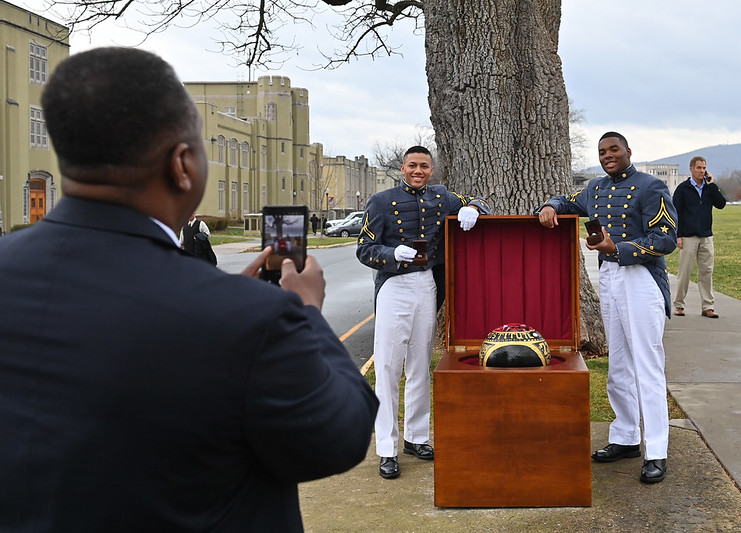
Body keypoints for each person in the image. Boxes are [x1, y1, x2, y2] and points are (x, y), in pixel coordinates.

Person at [0, 47, 378, 532]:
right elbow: (338, 437)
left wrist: (223, 298)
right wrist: (303, 311)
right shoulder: (249, 319)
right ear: (183, 165)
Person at [537, 132, 677, 484]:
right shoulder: (596, 188)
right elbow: (568, 201)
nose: (607, 156)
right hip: (611, 278)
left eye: (613, 150)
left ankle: (656, 449)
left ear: (628, 151)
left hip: (641, 277)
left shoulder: (651, 186)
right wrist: (551, 206)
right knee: (619, 364)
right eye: (602, 152)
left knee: (647, 364)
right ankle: (626, 436)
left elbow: (665, 239)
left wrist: (619, 247)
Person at [356, 146, 490, 479]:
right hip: (394, 286)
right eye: (413, 165)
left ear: (432, 170)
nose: (418, 171)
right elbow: (364, 248)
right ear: (402, 168)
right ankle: (386, 447)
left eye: (424, 166)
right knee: (387, 366)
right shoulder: (381, 201)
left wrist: (472, 207)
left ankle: (417, 436)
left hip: (427, 284)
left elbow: (481, 202)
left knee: (419, 365)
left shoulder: (442, 197)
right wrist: (391, 253)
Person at [672, 156, 727, 318]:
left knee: (707, 272)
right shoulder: (683, 189)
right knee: (685, 272)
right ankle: (679, 305)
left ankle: (707, 306)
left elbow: (721, 204)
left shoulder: (709, 188)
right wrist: (678, 235)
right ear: (691, 169)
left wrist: (712, 186)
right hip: (688, 237)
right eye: (699, 168)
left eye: (704, 168)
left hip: (706, 236)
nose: (702, 171)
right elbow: (676, 214)